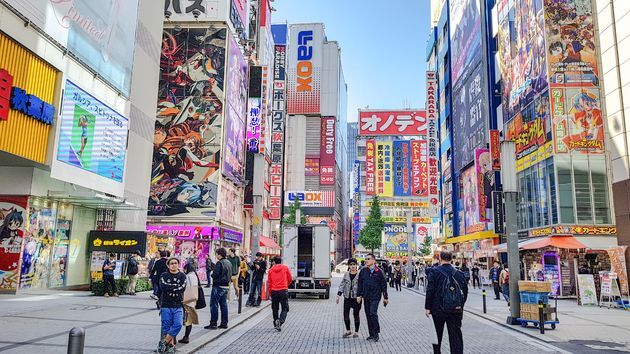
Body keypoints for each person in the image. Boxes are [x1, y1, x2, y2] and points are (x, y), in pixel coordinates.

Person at [425, 251, 468, 354]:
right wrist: (460, 305)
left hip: (438, 309)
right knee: (456, 337)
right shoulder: (459, 273)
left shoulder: (434, 272)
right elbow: (465, 291)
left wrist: (427, 307)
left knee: (437, 335)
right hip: (455, 310)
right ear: (451, 259)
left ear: (440, 258)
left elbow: (430, 290)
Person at [157, 257, 187, 354]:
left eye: (175, 263)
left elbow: (182, 288)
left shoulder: (182, 276)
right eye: (171, 263)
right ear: (168, 265)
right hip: (166, 304)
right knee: (166, 326)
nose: (174, 265)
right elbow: (163, 286)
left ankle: (164, 342)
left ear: (178, 264)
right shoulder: (164, 275)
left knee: (178, 324)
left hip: (178, 305)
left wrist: (170, 288)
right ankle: (171, 346)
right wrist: (175, 287)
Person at [356, 253, 388, 342]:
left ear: (373, 261)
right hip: (366, 297)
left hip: (376, 296)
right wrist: (359, 295)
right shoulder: (363, 271)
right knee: (368, 315)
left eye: (368, 259)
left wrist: (385, 297)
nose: (366, 260)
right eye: (366, 259)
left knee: (373, 313)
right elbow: (360, 284)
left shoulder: (379, 271)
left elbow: (384, 285)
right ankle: (371, 334)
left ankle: (376, 333)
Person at [205, 248, 231, 330]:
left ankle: (213, 323)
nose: (216, 255)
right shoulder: (228, 262)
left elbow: (215, 274)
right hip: (226, 286)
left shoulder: (219, 263)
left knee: (214, 304)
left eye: (216, 254)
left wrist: (212, 275)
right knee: (223, 305)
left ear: (219, 254)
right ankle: (224, 323)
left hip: (218, 286)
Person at [337, 258, 361, 338]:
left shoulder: (359, 275)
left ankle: (356, 332)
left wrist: (360, 296)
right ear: (349, 266)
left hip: (356, 298)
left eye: (354, 264)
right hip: (347, 297)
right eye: (351, 264)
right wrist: (338, 295)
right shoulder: (346, 274)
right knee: (345, 314)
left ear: (356, 265)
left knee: (356, 314)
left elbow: (362, 286)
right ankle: (348, 330)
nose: (352, 266)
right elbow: (342, 284)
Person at [267, 256, 292, 331]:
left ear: (274, 262)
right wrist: (286, 284)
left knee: (275, 308)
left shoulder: (271, 270)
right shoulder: (285, 268)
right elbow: (290, 278)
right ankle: (280, 321)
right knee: (285, 308)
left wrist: (269, 293)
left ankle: (275, 322)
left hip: (274, 291)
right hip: (283, 290)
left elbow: (269, 283)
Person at [180, 262, 199, 344]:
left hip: (187, 300)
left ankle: (186, 337)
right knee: (189, 319)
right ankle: (186, 336)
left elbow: (185, 288)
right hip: (193, 300)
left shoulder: (187, 276)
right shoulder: (195, 275)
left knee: (186, 319)